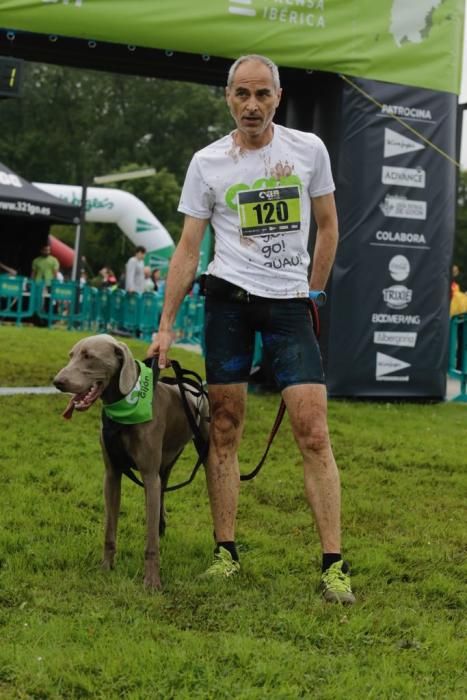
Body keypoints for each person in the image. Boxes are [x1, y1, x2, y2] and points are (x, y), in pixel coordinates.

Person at [147, 54, 354, 604]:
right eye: (242, 94)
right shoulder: (207, 162)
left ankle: (334, 565)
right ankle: (226, 553)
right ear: (228, 98)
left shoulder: (308, 150)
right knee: (224, 428)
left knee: (313, 431)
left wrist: (314, 292)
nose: (252, 105)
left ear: (278, 99)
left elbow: (329, 227)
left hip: (288, 306)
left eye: (262, 94)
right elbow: (189, 249)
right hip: (228, 304)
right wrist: (166, 326)